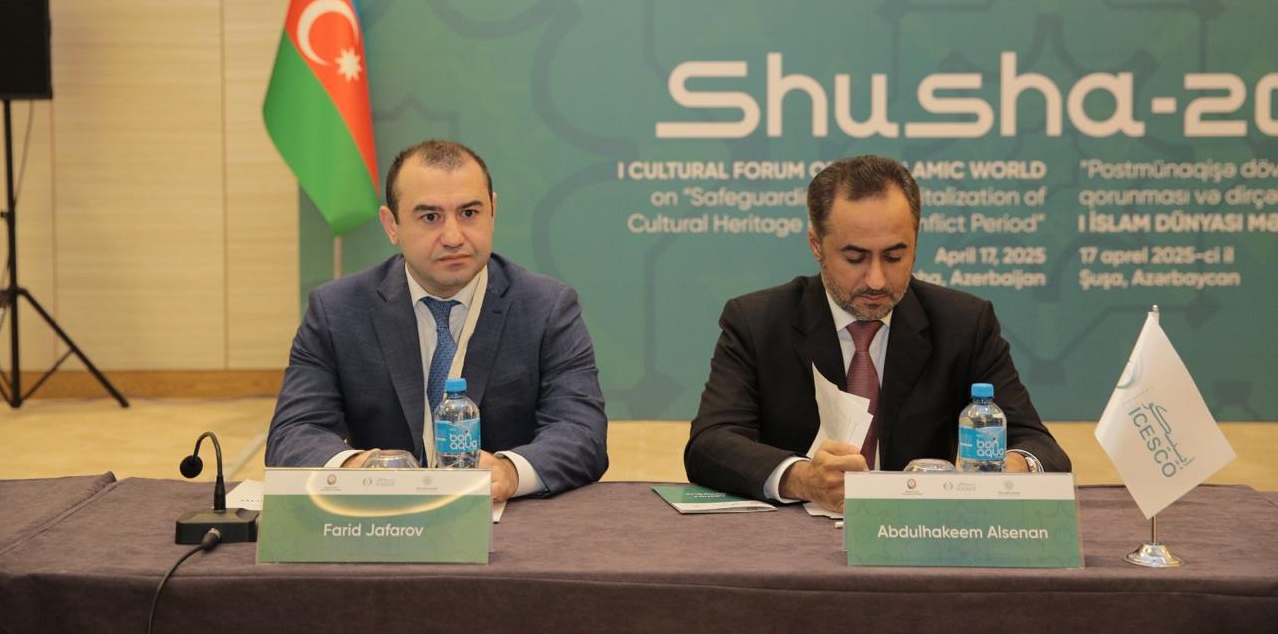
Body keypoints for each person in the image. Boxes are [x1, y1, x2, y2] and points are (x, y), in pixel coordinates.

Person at [684, 155, 1069, 511]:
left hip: (919, 538)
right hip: (792, 542)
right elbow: (710, 444)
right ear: (816, 244)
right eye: (855, 258)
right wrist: (802, 479)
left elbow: (1041, 448)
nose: (877, 280)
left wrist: (1007, 471)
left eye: (894, 256)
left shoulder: (964, 324)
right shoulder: (758, 322)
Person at [266, 139, 608, 501]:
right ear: (392, 224)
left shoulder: (547, 307)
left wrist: (510, 472)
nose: (453, 237)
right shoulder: (336, 311)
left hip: (507, 522)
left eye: (469, 213)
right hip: (383, 520)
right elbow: (293, 433)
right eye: (430, 217)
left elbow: (582, 431)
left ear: (493, 210)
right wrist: (359, 469)